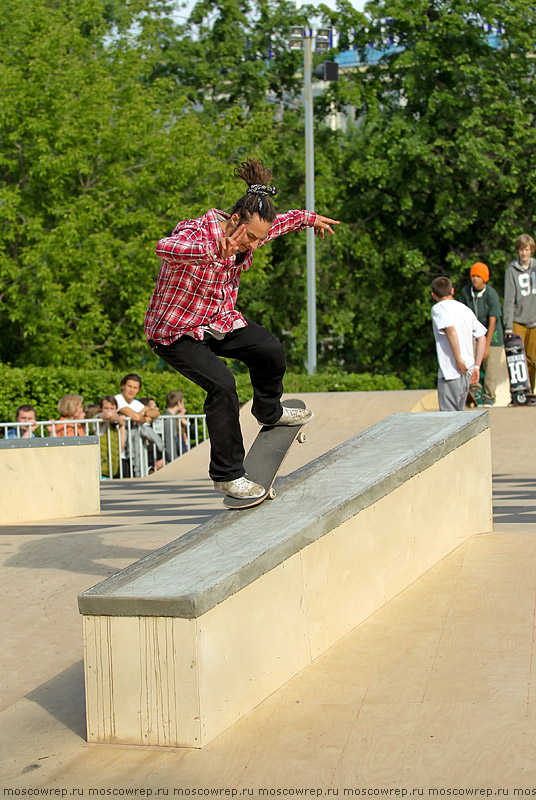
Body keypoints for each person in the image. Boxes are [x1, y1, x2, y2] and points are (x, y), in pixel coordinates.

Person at [144, 156, 339, 499]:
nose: (253, 244)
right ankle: (227, 474)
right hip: (175, 333)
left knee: (269, 349)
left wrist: (311, 219)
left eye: (258, 239)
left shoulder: (256, 231)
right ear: (234, 219)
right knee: (222, 385)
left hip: (216, 322)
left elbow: (287, 221)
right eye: (249, 237)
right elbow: (166, 247)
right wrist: (209, 250)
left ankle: (269, 410)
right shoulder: (196, 232)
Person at [431, 276, 487, 411]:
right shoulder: (465, 309)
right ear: (452, 291)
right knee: (459, 415)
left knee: (448, 417)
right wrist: (477, 366)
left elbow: (450, 330)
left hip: (451, 370)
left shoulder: (438, 308)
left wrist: (458, 359)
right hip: (467, 370)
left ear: (433, 295)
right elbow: (482, 337)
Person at [460, 262, 505, 406]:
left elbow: (493, 321)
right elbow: (463, 315)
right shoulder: (466, 292)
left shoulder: (491, 294)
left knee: (491, 368)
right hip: (474, 335)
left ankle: (489, 397)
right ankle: (474, 390)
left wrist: (486, 347)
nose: (475, 279)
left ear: (484, 278)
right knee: (470, 361)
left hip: (493, 335)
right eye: (473, 276)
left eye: (478, 276)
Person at [503, 234, 536, 391]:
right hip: (518, 320)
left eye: (527, 250)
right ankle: (516, 392)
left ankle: (529, 391)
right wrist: (508, 327)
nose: (524, 253)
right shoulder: (511, 271)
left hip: (534, 320)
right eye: (521, 250)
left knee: (532, 359)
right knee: (516, 359)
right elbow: (509, 300)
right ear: (518, 251)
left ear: (532, 250)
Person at [114, 375, 159, 477]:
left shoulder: (135, 403)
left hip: (133, 450)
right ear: (123, 386)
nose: (131, 390)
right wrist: (144, 416)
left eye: (135, 388)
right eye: (129, 386)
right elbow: (135, 417)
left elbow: (156, 413)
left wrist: (141, 414)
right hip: (118, 450)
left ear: (138, 390)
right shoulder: (117, 400)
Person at [163, 390, 191, 463]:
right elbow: (170, 444)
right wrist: (174, 461)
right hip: (172, 461)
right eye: (183, 402)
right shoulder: (168, 420)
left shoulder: (170, 418)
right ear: (178, 403)